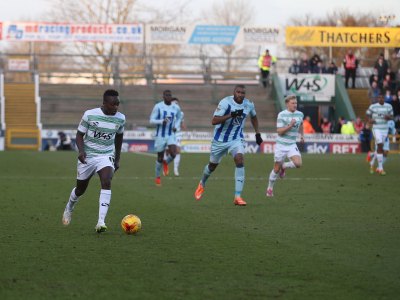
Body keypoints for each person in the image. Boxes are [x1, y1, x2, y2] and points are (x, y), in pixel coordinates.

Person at [61, 89, 125, 233]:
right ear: (104, 103)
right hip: (88, 156)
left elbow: (119, 137)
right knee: (80, 189)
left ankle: (101, 222)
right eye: (112, 104)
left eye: (117, 104)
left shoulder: (121, 118)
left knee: (106, 181)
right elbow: (79, 135)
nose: (115, 107)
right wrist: (81, 151)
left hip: (106, 155)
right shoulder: (90, 114)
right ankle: (69, 207)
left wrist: (118, 158)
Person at [194, 84, 263, 206]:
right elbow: (214, 121)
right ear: (234, 92)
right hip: (219, 140)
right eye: (238, 92)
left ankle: (237, 196)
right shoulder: (225, 102)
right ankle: (202, 183)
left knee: (239, 160)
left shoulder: (248, 104)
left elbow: (254, 117)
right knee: (212, 166)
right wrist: (231, 115)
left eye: (243, 93)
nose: (241, 95)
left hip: (236, 139)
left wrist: (257, 133)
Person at [266, 95, 304, 197]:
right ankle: (270, 188)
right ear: (287, 104)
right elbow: (279, 131)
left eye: (296, 103)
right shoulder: (281, 115)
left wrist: (302, 136)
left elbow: (301, 124)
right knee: (276, 169)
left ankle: (284, 166)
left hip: (291, 144)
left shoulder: (300, 114)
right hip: (281, 145)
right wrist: (290, 126)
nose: (295, 105)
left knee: (298, 163)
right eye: (293, 103)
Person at [149, 90, 182, 186]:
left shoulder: (175, 107)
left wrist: (176, 125)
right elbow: (151, 120)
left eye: (170, 95)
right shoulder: (158, 106)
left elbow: (179, 117)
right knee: (159, 156)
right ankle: (157, 177)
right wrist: (161, 121)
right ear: (163, 97)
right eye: (166, 95)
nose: (168, 97)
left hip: (170, 134)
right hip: (160, 135)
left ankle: (166, 163)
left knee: (174, 153)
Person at [366, 93, 394, 175]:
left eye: (382, 97)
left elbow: (392, 116)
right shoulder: (373, 106)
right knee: (380, 145)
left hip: (385, 129)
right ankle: (380, 168)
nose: (381, 99)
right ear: (377, 98)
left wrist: (388, 117)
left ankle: (372, 161)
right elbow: (367, 114)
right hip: (376, 128)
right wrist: (369, 120)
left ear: (384, 98)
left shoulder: (389, 106)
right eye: (379, 97)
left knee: (380, 148)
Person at [164, 97, 186, 176]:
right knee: (168, 152)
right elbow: (165, 123)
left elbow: (182, 124)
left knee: (178, 151)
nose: (176, 104)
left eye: (177, 103)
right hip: (169, 134)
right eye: (174, 103)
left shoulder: (181, 113)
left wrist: (183, 126)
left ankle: (176, 169)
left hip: (178, 134)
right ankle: (165, 166)